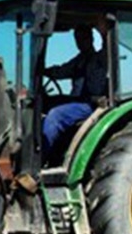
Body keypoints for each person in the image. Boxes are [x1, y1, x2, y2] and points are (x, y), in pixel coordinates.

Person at [42, 22, 109, 159]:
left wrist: (104, 33)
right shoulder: (79, 60)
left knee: (56, 114)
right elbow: (61, 71)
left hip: (91, 103)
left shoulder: (100, 58)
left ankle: (40, 159)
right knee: (42, 103)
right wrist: (41, 71)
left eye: (83, 38)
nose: (80, 42)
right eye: (77, 39)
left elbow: (109, 48)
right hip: (76, 100)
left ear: (91, 38)